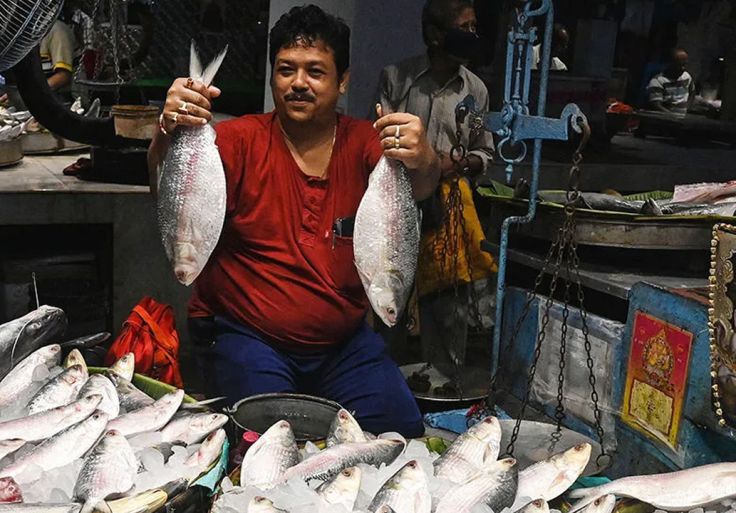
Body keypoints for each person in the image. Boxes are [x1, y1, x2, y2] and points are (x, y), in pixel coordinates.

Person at [146, 5, 443, 437]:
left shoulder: (365, 144)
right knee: (267, 438)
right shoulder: (236, 140)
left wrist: (425, 155)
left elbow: (422, 185)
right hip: (248, 338)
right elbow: (166, 189)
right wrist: (167, 128)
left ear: (342, 81)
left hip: (344, 347)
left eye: (316, 72)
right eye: (286, 70)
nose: (298, 83)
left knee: (400, 433)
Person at [376, 0, 497, 373]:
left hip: (448, 212)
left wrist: (455, 162)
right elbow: (376, 138)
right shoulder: (398, 78)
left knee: (446, 306)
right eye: (466, 26)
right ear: (435, 35)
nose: (473, 35)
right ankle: (378, 380)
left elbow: (485, 152)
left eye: (475, 27)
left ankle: (441, 383)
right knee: (389, 299)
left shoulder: (474, 89)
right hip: (399, 205)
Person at [646, 48, 694, 115]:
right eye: (679, 65)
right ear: (670, 64)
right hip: (665, 120)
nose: (683, 68)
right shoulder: (658, 81)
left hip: (682, 118)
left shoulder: (686, 76)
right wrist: (672, 116)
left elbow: (692, 92)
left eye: (685, 64)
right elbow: (656, 105)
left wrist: (687, 108)